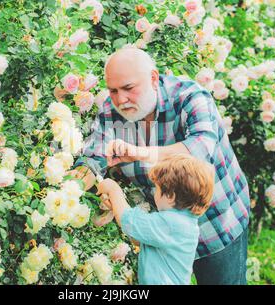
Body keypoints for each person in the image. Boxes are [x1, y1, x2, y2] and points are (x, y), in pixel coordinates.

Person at [70, 46, 251, 285]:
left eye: (128, 88)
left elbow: (199, 150)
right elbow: (94, 157)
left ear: (153, 79)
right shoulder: (111, 113)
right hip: (162, 231)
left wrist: (139, 153)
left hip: (217, 223)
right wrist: (71, 185)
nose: (120, 99)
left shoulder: (190, 97)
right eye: (113, 90)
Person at [97, 154, 215, 285]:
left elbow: (129, 222)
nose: (155, 194)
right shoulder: (184, 223)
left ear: (170, 196)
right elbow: (138, 238)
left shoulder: (171, 224)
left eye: (157, 189)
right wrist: (116, 206)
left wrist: (114, 190)